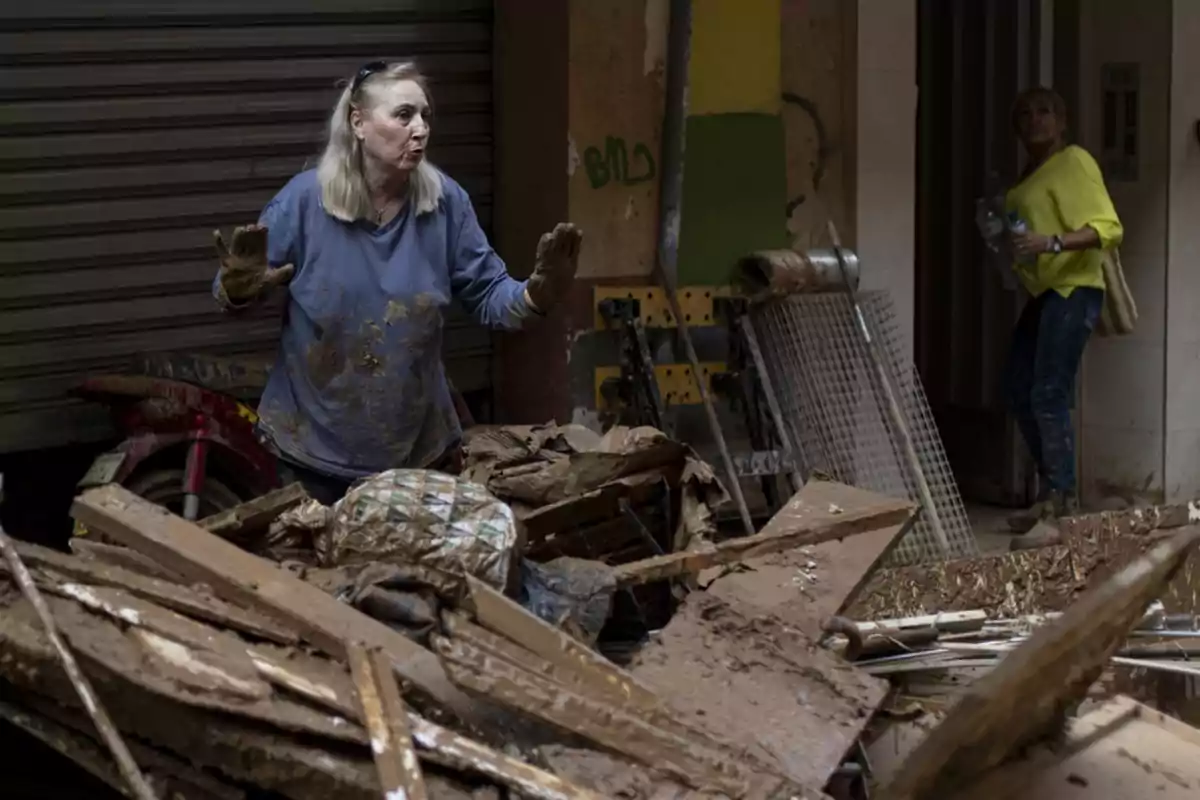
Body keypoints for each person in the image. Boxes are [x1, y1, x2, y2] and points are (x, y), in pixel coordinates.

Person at [212, 61, 582, 504]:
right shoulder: (303, 202)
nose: (420, 129)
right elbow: (237, 293)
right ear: (359, 123)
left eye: (426, 116)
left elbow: (489, 295)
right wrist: (238, 288)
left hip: (417, 454)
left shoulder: (445, 204)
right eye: (404, 115)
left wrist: (535, 295)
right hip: (308, 452)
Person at [1003, 87, 1122, 533]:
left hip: (1074, 288)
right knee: (1018, 389)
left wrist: (1050, 243)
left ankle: (1061, 499)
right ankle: (1050, 492)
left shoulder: (1074, 161)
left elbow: (1108, 227)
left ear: (1063, 121)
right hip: (1046, 292)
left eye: (1045, 111)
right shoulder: (1028, 175)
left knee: (1048, 392)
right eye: (1026, 113)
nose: (1035, 120)